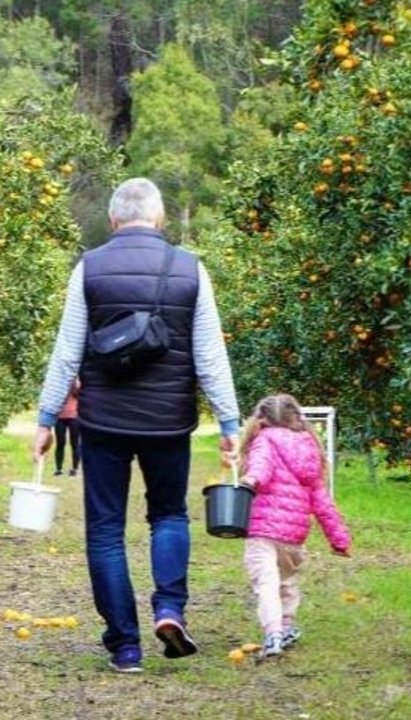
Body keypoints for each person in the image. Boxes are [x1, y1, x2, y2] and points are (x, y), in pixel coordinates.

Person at [31, 177, 241, 673]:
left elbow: (67, 352)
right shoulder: (192, 269)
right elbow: (210, 355)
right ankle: (169, 608)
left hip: (103, 421)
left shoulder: (90, 267)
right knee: (168, 515)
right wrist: (230, 421)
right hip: (168, 422)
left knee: (105, 531)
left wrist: (46, 416)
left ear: (113, 219)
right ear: (161, 219)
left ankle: (125, 645)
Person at [238, 393, 351, 659]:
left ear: (261, 419)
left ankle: (273, 633)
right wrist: (340, 540)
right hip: (293, 534)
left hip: (263, 529)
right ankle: (287, 627)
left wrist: (250, 481)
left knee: (266, 582)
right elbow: (323, 502)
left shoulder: (264, 440)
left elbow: (261, 468)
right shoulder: (309, 448)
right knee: (286, 582)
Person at [53, 379, 81, 477]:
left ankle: (75, 469)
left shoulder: (76, 380)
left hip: (74, 416)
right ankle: (58, 469)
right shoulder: (59, 380)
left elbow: (79, 392)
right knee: (60, 443)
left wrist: (75, 381)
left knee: (75, 443)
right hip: (60, 416)